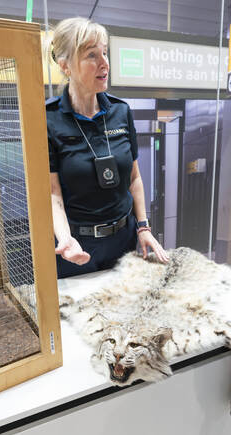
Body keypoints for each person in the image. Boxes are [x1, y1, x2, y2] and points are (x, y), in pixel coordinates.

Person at [46, 17, 168, 278]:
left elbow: (134, 179)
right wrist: (65, 238)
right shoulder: (49, 119)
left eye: (105, 52)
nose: (104, 63)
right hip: (78, 247)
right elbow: (52, 194)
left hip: (123, 241)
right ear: (65, 65)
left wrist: (143, 228)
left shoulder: (121, 111)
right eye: (92, 55)